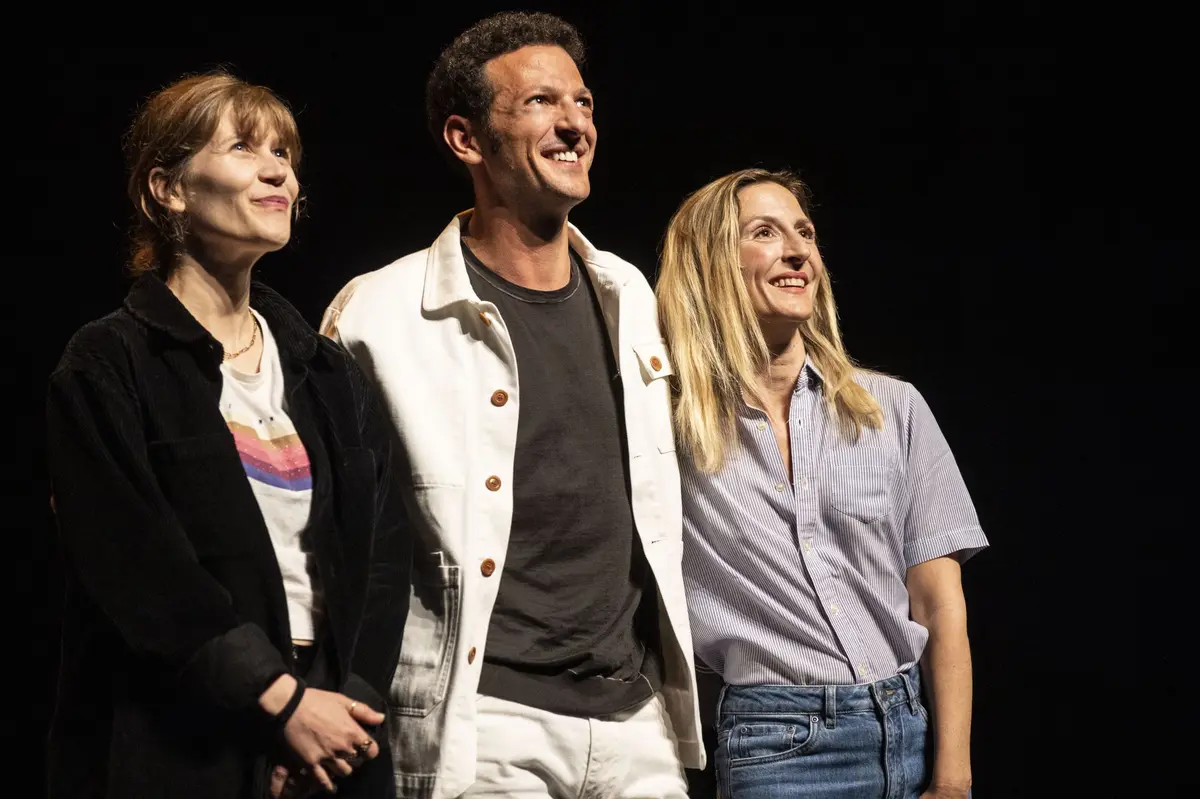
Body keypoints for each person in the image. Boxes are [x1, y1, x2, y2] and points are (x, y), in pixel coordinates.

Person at [319, 12, 703, 799]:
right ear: (466, 139)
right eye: (539, 103)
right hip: (486, 722)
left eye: (584, 103)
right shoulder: (378, 314)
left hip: (636, 723)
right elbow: (327, 535)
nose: (574, 124)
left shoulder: (630, 294)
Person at [45, 71, 412, 799]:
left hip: (332, 739)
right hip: (182, 739)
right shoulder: (110, 361)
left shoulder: (325, 369)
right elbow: (137, 564)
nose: (279, 170)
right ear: (167, 189)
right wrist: (277, 701)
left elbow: (383, 552)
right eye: (243, 147)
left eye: (284, 152)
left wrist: (339, 715)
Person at [655, 168, 989, 799]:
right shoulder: (668, 430)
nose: (798, 250)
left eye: (804, 233)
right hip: (778, 743)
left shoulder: (891, 409)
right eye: (764, 232)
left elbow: (941, 607)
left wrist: (953, 777)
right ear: (709, 265)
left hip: (908, 725)